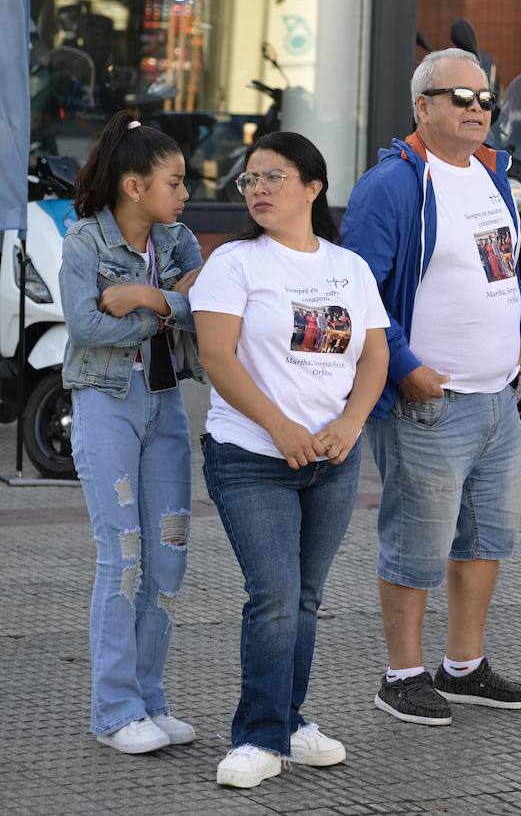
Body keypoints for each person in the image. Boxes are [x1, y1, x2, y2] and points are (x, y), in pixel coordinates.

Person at [342, 48, 521, 727]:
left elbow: (506, 269)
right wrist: (405, 368)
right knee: (417, 542)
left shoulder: (492, 174)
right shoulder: (392, 185)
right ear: (421, 107)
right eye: (460, 97)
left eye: (484, 96)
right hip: (428, 404)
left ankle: (463, 667)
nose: (477, 108)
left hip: (497, 402)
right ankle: (401, 675)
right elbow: (358, 294)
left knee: (486, 538)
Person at [193, 132, 388, 788]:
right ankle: (257, 736)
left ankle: (291, 721)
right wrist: (281, 428)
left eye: (272, 176)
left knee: (304, 597)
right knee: (273, 594)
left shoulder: (348, 268)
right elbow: (217, 357)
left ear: (312, 185)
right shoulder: (235, 263)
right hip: (250, 455)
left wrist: (351, 423)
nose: (258, 190)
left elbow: (374, 356)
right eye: (249, 181)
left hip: (333, 459)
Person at [60, 112, 202, 756]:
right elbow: (86, 329)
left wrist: (145, 299)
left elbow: (205, 307)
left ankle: (150, 699)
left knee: (168, 555)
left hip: (167, 406)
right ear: (134, 186)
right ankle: (115, 710)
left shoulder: (180, 243)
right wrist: (163, 306)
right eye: (175, 182)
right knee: (123, 557)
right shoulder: (86, 241)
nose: (186, 193)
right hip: (107, 401)